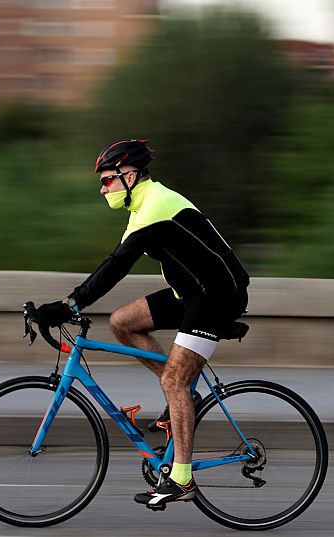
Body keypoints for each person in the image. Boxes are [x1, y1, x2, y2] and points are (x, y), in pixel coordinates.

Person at [36, 139, 250, 508]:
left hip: (218, 296)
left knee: (173, 381)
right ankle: (185, 397)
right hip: (191, 293)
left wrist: (69, 304)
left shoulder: (156, 205)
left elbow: (117, 265)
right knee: (122, 322)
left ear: (130, 176)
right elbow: (113, 262)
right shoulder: (141, 208)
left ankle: (181, 479)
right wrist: (71, 303)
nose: (103, 189)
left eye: (108, 180)